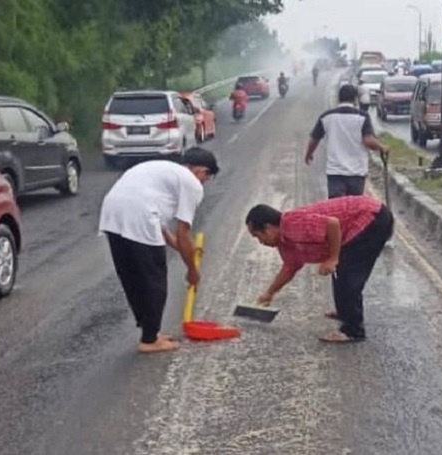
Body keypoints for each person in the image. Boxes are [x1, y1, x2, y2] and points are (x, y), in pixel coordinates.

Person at [98, 149, 220, 353]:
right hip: (140, 215)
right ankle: (149, 340)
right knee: (155, 279)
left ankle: (150, 332)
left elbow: (164, 231)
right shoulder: (191, 183)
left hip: (112, 213)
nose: (203, 184)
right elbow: (183, 233)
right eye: (206, 179)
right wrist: (192, 271)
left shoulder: (162, 170)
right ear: (202, 171)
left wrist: (186, 251)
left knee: (132, 276)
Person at [245, 195, 394, 342]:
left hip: (370, 218)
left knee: (349, 274)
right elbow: (290, 268)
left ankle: (353, 331)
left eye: (258, 236)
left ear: (268, 228)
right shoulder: (285, 243)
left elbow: (333, 224)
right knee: (339, 271)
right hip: (362, 220)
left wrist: (333, 258)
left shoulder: (293, 225)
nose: (261, 242)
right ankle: (345, 312)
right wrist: (269, 293)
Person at [305, 83, 390, 199]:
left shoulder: (326, 117)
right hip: (356, 172)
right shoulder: (363, 117)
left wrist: (309, 153)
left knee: (337, 209)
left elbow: (314, 139)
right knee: (354, 208)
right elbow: (368, 140)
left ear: (339, 98)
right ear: (355, 99)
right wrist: (381, 147)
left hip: (335, 172)